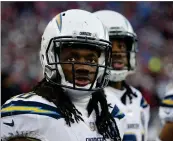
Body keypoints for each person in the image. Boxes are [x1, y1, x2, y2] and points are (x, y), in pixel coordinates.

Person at [1, 9, 126, 141]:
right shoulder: (26, 111)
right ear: (50, 57)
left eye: (91, 60)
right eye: (71, 59)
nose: (83, 68)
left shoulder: (113, 115)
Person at [93, 10, 150, 141]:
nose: (118, 52)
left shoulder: (138, 99)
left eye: (122, 46)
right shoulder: (85, 100)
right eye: (110, 46)